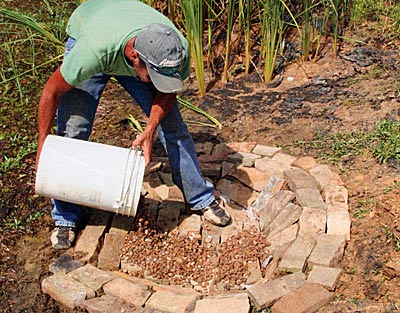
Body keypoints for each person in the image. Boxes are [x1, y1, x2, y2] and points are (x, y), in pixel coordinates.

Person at [36, 0, 231, 249]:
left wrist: (150, 129)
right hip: (92, 27)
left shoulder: (173, 49)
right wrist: (43, 143)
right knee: (73, 130)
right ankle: (66, 217)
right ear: (135, 58)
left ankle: (199, 197)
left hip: (126, 30)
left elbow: (167, 93)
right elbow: (51, 92)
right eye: (156, 76)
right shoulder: (92, 52)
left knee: (173, 128)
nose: (160, 82)